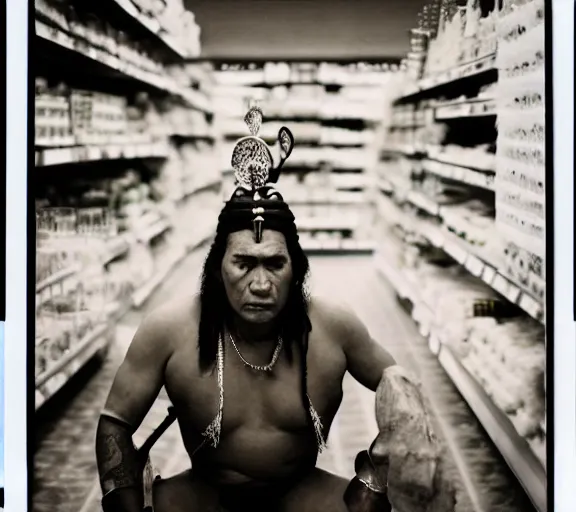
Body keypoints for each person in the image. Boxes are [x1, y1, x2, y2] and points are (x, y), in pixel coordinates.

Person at [96, 107, 456, 512]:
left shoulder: (333, 326)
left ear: (296, 268)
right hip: (202, 496)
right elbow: (116, 421)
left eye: (275, 264)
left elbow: (401, 392)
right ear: (218, 268)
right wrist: (123, 503)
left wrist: (372, 483)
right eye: (244, 263)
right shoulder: (169, 329)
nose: (262, 284)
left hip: (302, 493)